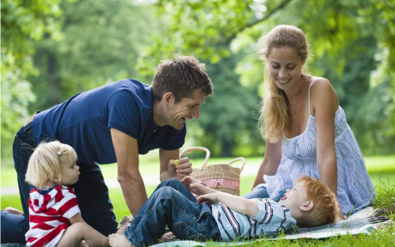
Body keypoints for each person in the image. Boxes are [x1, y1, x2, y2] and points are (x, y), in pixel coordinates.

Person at [1, 55, 213, 244]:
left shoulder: (175, 124)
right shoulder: (127, 101)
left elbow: (166, 176)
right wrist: (149, 233)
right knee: (42, 236)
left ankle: (25, 215)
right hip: (39, 146)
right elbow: (128, 176)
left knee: (102, 234)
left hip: (77, 160)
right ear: (168, 99)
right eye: (192, 106)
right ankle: (13, 220)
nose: (196, 115)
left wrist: (174, 176)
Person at [242, 25, 375, 216]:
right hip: (292, 183)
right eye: (275, 66)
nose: (282, 75)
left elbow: (326, 155)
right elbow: (271, 161)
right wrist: (249, 203)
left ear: (303, 60)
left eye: (290, 67)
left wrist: (332, 207)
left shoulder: (320, 89)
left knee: (286, 217)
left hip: (328, 183)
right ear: (267, 61)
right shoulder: (274, 99)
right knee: (243, 206)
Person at [107, 175, 342, 247]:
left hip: (208, 227)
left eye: (295, 190)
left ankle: (131, 242)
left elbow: (244, 205)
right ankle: (140, 231)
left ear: (306, 205)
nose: (288, 190)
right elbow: (239, 207)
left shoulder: (281, 215)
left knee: (166, 196)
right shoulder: (279, 213)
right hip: (210, 218)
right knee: (171, 185)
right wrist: (203, 190)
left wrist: (217, 194)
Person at [23, 141, 120, 247]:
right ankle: (109, 244)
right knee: (81, 228)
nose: (78, 168)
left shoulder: (36, 193)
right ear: (55, 175)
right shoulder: (63, 195)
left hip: (38, 243)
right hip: (51, 244)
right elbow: (78, 223)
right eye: (72, 166)